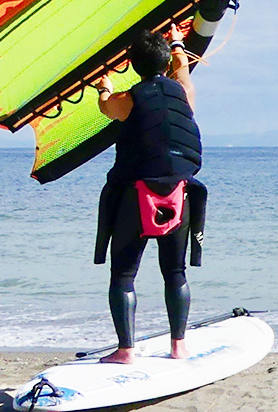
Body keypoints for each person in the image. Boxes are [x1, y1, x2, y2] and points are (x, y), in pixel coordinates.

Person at [90, 25, 208, 363]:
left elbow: (105, 108)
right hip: (178, 196)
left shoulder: (127, 100)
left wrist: (104, 87)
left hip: (135, 200)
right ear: (165, 61)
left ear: (133, 63)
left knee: (124, 275)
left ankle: (126, 350)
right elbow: (182, 67)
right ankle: (179, 347)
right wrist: (176, 40)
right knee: (175, 273)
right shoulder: (185, 92)